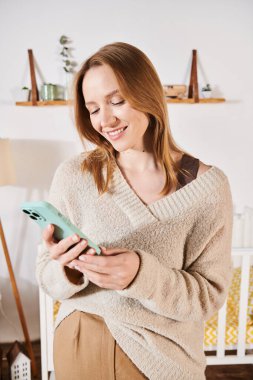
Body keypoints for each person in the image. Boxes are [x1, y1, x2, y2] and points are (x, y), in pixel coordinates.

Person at [36, 42, 233, 380]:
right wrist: (67, 269)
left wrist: (142, 276)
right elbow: (46, 275)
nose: (105, 120)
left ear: (147, 94)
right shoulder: (74, 174)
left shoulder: (209, 189)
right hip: (79, 341)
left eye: (117, 101)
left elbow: (207, 297)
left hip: (162, 359)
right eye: (93, 108)